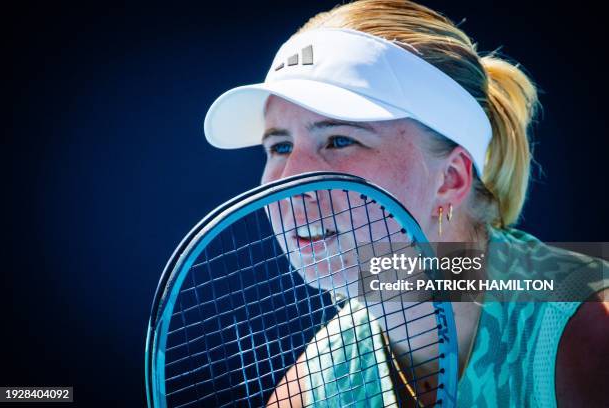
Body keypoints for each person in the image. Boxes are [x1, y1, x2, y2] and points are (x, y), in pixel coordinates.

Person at [203, 0, 608, 406]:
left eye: (340, 140)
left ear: (450, 179)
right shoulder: (316, 384)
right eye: (280, 146)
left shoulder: (593, 331)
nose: (290, 181)